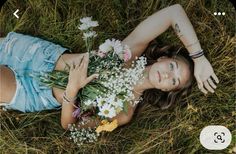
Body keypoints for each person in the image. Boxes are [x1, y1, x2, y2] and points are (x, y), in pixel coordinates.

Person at [0, 4, 219, 130]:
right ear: (162, 59)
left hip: (34, 91)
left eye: (174, 81)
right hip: (37, 53)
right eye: (172, 66)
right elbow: (174, 12)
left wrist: (72, 91)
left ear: (166, 91)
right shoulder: (130, 50)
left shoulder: (124, 112)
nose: (168, 75)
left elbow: (71, 126)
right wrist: (198, 58)